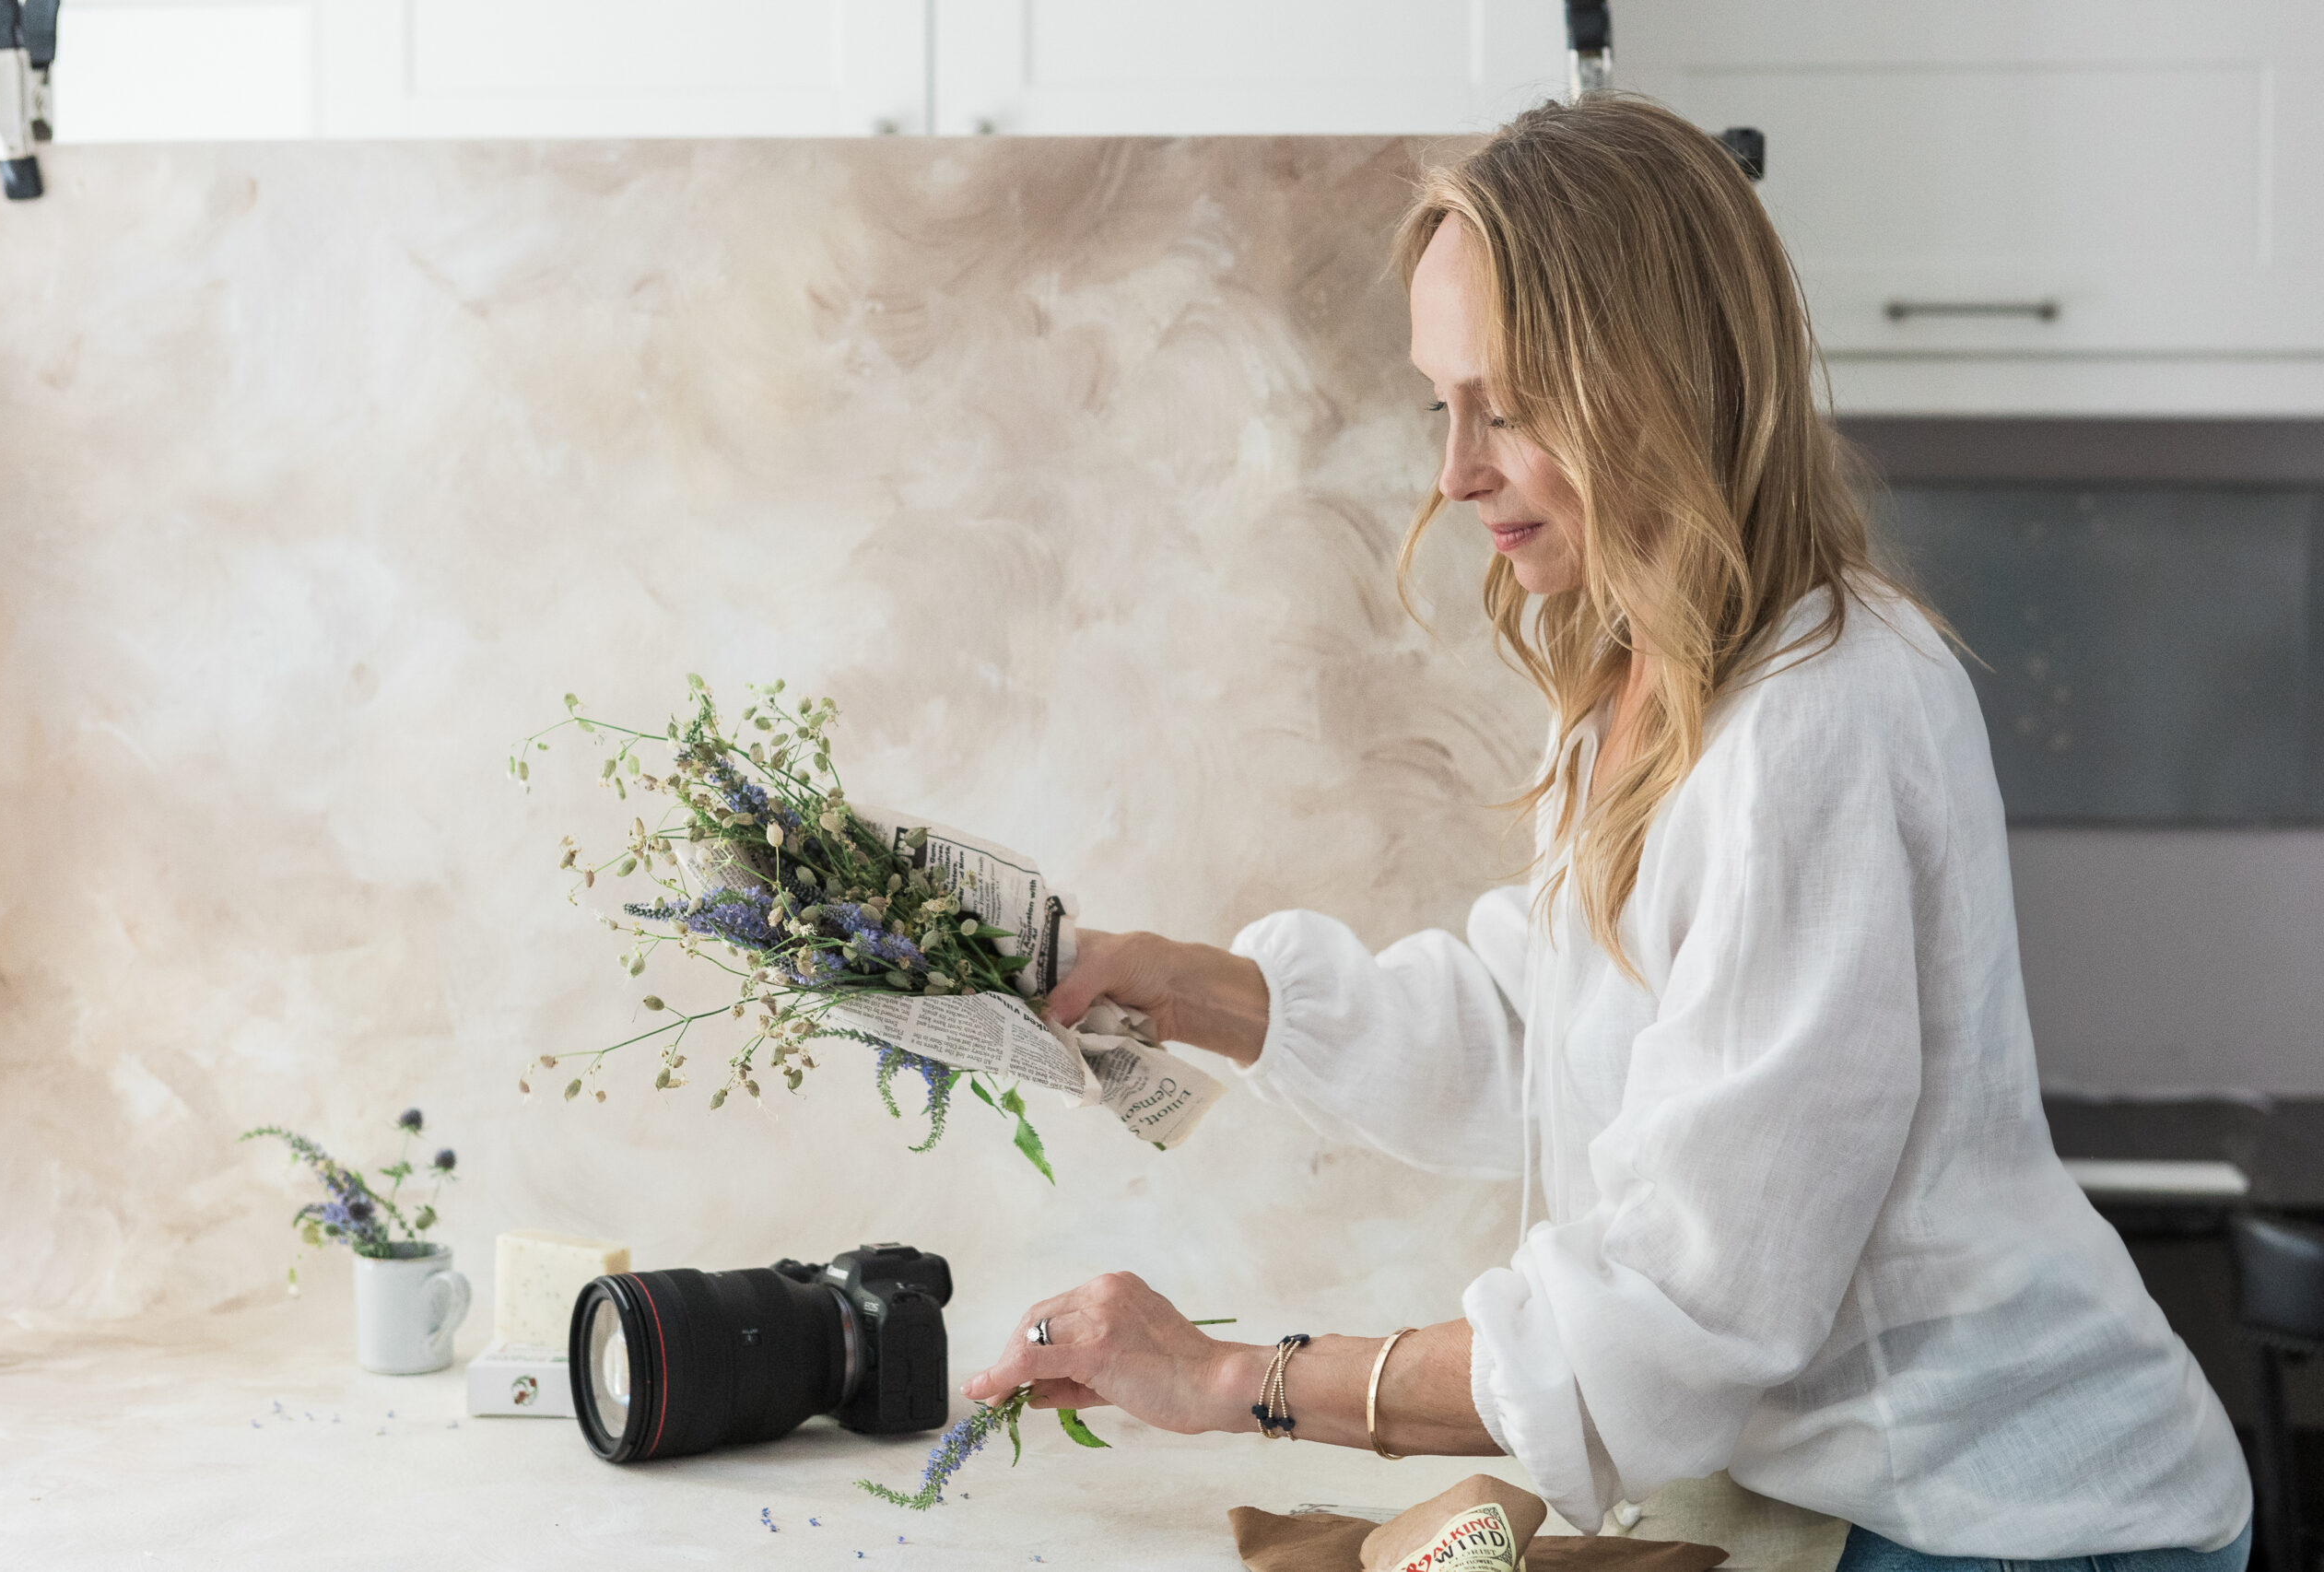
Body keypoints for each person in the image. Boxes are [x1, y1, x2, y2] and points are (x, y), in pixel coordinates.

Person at [958, 96, 2254, 1569]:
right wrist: (1184, 987)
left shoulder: (1823, 718)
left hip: (2009, 1516)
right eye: (1441, 406)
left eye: (1507, 407)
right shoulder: (1645, 681)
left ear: (1658, 384)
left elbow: (1682, 1305)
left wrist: (1231, 1378)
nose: (1454, 472)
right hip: (1839, 1499)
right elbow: (1538, 1034)